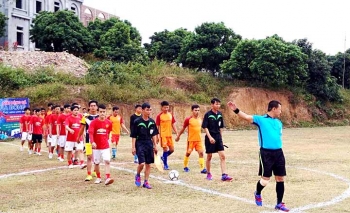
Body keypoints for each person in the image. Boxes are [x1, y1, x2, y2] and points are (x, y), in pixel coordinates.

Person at [227, 100, 289, 212]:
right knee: (265, 180)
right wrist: (236, 109)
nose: (281, 111)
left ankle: (279, 203)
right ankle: (258, 193)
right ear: (274, 108)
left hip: (279, 153)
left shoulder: (279, 123)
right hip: (266, 153)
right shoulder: (261, 120)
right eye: (279, 109)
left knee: (280, 179)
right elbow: (246, 117)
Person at [202, 98, 232, 181]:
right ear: (212, 105)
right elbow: (205, 127)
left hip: (218, 138)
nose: (218, 106)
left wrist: (220, 137)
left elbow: (221, 127)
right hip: (210, 137)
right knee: (209, 156)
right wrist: (210, 137)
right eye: (216, 104)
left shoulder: (220, 114)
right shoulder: (207, 114)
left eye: (219, 104)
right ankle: (208, 173)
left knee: (223, 156)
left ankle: (224, 175)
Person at [131, 103, 159, 189]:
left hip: (149, 143)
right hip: (140, 143)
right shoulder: (137, 122)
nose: (149, 111)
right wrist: (133, 147)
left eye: (150, 110)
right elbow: (134, 135)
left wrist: (155, 145)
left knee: (148, 164)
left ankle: (146, 182)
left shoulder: (152, 122)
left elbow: (154, 134)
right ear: (142, 110)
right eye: (147, 110)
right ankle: (138, 175)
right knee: (142, 163)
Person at [175, 104, 207, 174]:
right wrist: (178, 136)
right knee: (188, 153)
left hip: (198, 140)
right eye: (195, 110)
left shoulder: (200, 119)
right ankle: (185, 166)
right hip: (191, 140)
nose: (197, 112)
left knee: (201, 153)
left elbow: (204, 128)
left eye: (198, 110)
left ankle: (202, 169)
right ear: (192, 111)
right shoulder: (188, 119)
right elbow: (183, 128)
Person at [89, 104, 114, 185]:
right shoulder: (93, 122)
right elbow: (91, 133)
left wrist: (109, 140)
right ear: (98, 112)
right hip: (96, 147)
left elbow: (109, 132)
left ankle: (107, 177)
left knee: (107, 161)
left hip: (105, 146)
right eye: (100, 112)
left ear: (106, 112)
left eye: (104, 112)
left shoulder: (109, 122)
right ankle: (98, 177)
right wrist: (92, 142)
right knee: (96, 163)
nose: (102, 113)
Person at [78, 100, 99, 181]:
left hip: (98, 140)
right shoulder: (85, 117)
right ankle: (89, 174)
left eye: (94, 105)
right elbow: (82, 128)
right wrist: (78, 137)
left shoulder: (100, 116)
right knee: (89, 157)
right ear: (89, 107)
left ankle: (95, 171)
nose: (93, 107)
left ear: (97, 107)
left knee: (97, 157)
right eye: (91, 106)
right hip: (88, 140)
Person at [156, 101, 178, 170]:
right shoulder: (159, 116)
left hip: (169, 135)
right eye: (165, 107)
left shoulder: (170, 115)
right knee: (165, 150)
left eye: (167, 107)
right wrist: (157, 136)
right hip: (163, 135)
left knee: (172, 150)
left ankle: (163, 157)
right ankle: (165, 165)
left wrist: (177, 133)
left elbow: (173, 124)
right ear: (161, 108)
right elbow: (157, 127)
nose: (166, 109)